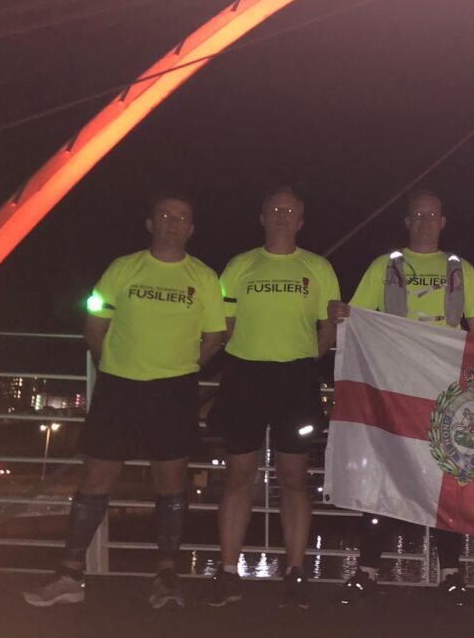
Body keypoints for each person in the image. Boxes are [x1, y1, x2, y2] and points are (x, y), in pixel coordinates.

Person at [23, 194, 225, 608]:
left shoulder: (204, 277)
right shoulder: (122, 268)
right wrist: (112, 364)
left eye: (182, 217)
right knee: (94, 482)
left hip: (173, 391)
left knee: (171, 485)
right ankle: (69, 574)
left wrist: (181, 368)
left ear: (191, 229)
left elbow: (215, 338)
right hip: (119, 387)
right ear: (150, 223)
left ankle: (167, 576)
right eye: (165, 215)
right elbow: (94, 327)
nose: (173, 222)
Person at [328, 188, 474, 606]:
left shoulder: (462, 269)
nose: (424, 221)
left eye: (431, 215)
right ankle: (367, 568)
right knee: (386, 471)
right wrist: (339, 314)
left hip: (445, 389)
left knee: (447, 477)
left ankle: (452, 571)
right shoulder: (385, 266)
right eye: (417, 215)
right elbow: (357, 314)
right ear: (406, 222)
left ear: (443, 222)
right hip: (394, 386)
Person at [205, 187, 340, 608]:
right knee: (239, 475)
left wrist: (305, 360)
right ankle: (228, 572)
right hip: (244, 376)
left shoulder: (319, 268)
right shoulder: (238, 265)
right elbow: (221, 327)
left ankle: (295, 571)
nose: (282, 216)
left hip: (296, 379)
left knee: (294, 478)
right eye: (275, 210)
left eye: (291, 211)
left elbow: (330, 324)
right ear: (262, 217)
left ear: (301, 221)